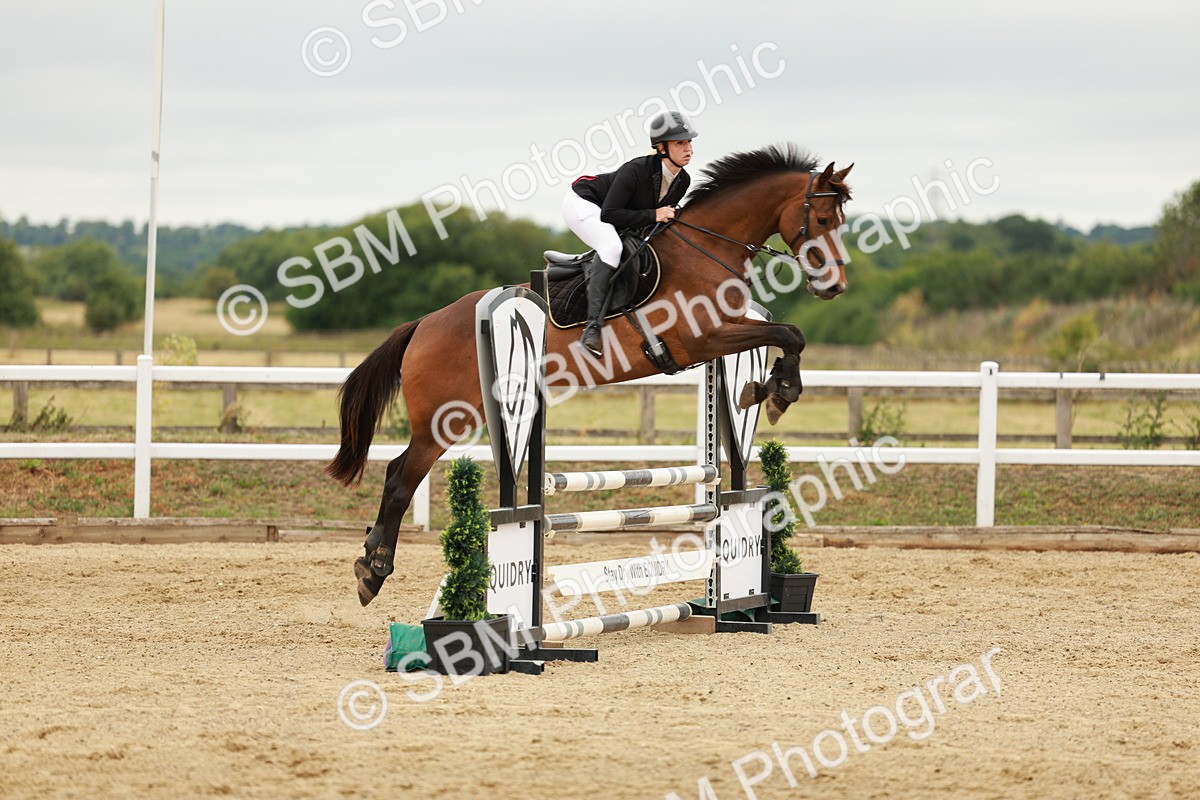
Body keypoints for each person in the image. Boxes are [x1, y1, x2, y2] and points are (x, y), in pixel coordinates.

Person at [563, 110, 699, 357]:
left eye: (689, 141)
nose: (688, 148)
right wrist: (652, 215)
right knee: (612, 248)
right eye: (680, 142)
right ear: (661, 148)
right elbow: (610, 214)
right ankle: (592, 330)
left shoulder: (683, 181)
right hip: (582, 204)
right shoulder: (636, 170)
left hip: (611, 212)